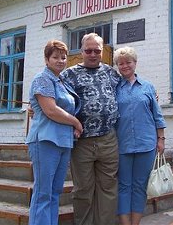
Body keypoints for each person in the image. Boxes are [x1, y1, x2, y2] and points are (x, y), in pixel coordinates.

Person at [61, 32, 121, 225]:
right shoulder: (68, 74)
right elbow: (51, 95)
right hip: (82, 142)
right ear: (81, 51)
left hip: (108, 139)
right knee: (83, 189)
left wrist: (150, 91)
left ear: (102, 51)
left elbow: (127, 89)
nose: (93, 54)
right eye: (89, 50)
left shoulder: (111, 72)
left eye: (97, 50)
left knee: (108, 187)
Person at [26, 40, 83, 225]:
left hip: (63, 142)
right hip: (45, 140)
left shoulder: (62, 81)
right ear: (46, 59)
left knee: (55, 192)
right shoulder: (42, 79)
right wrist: (76, 123)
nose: (60, 61)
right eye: (55, 57)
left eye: (63, 57)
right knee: (43, 193)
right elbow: (51, 110)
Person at [113, 46, 166, 225]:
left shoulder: (148, 87)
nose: (125, 66)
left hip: (146, 144)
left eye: (128, 62)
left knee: (140, 186)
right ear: (117, 66)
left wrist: (161, 139)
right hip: (122, 144)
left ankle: (135, 223)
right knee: (123, 185)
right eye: (121, 63)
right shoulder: (114, 88)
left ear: (135, 63)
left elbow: (157, 115)